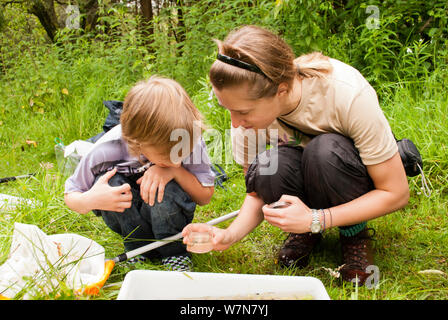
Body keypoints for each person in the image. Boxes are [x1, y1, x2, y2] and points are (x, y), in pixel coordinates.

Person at [182, 25, 409, 285]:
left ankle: (353, 234)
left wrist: (316, 219)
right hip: (308, 177)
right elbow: (256, 193)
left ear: (281, 90)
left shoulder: (346, 94)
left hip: (347, 173)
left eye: (243, 112)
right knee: (268, 166)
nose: (235, 123)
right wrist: (229, 235)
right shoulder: (246, 119)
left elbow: (396, 192)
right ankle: (304, 232)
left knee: (323, 152)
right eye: (229, 110)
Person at [64, 76, 215, 272]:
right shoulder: (107, 148)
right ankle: (137, 251)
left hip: (171, 220)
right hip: (130, 215)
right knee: (111, 183)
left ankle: (174, 253)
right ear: (137, 141)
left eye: (182, 155)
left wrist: (174, 171)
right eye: (167, 157)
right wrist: (90, 200)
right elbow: (71, 194)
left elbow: (205, 196)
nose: (178, 161)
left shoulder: (187, 138)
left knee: (166, 187)